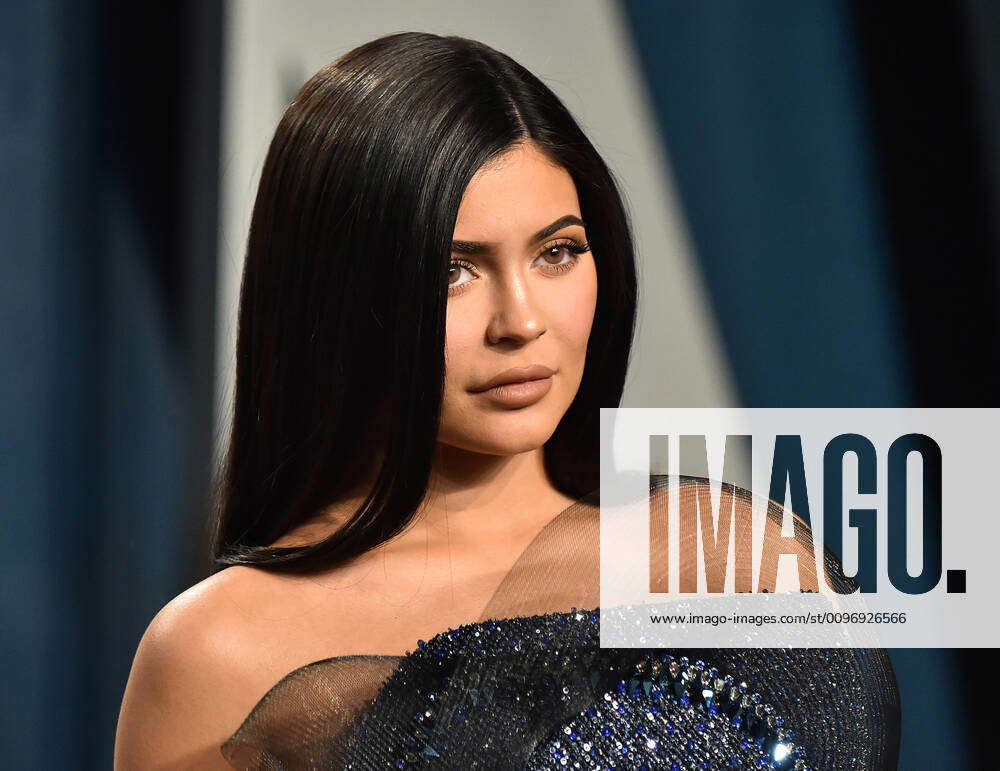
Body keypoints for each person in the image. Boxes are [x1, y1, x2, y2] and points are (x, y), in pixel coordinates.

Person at [114, 32, 899, 769]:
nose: (521, 322)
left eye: (558, 252)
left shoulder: (741, 557)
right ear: (334, 296)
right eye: (451, 270)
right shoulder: (218, 652)